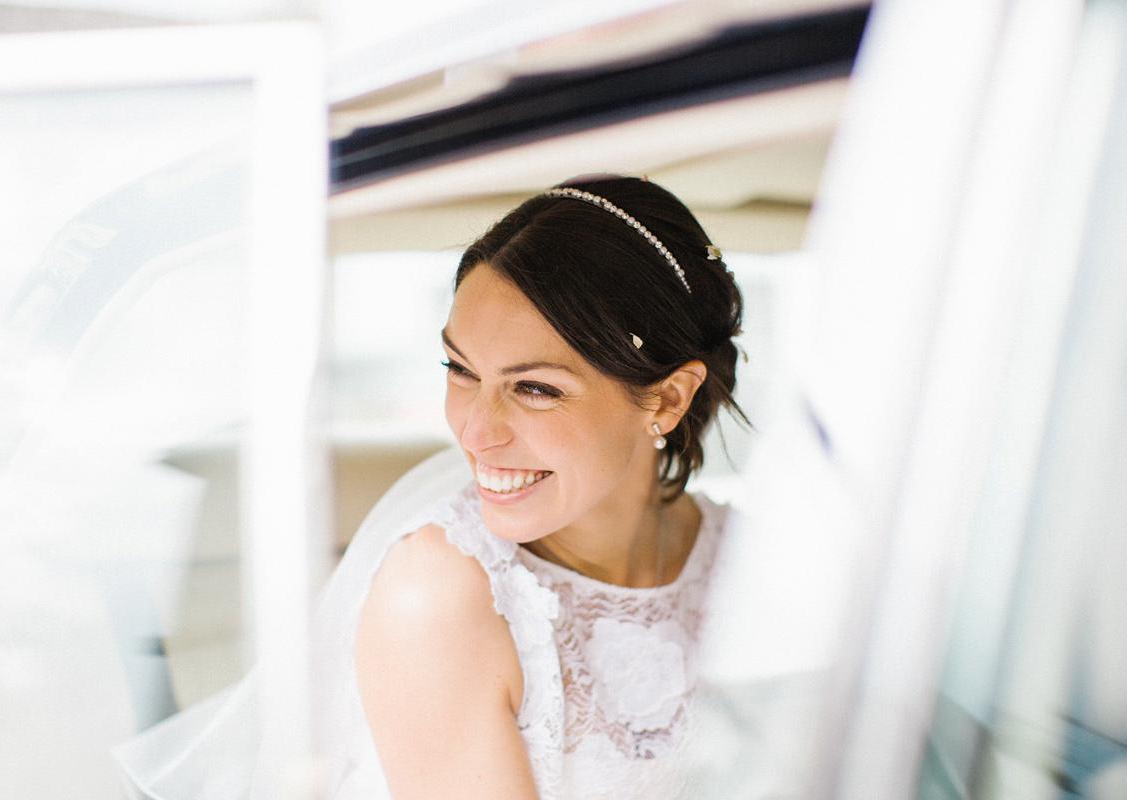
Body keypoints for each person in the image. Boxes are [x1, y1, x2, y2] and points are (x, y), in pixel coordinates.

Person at [114, 175, 745, 800]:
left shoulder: (747, 558)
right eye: (461, 370)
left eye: (535, 388)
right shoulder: (437, 592)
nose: (475, 432)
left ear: (665, 398)